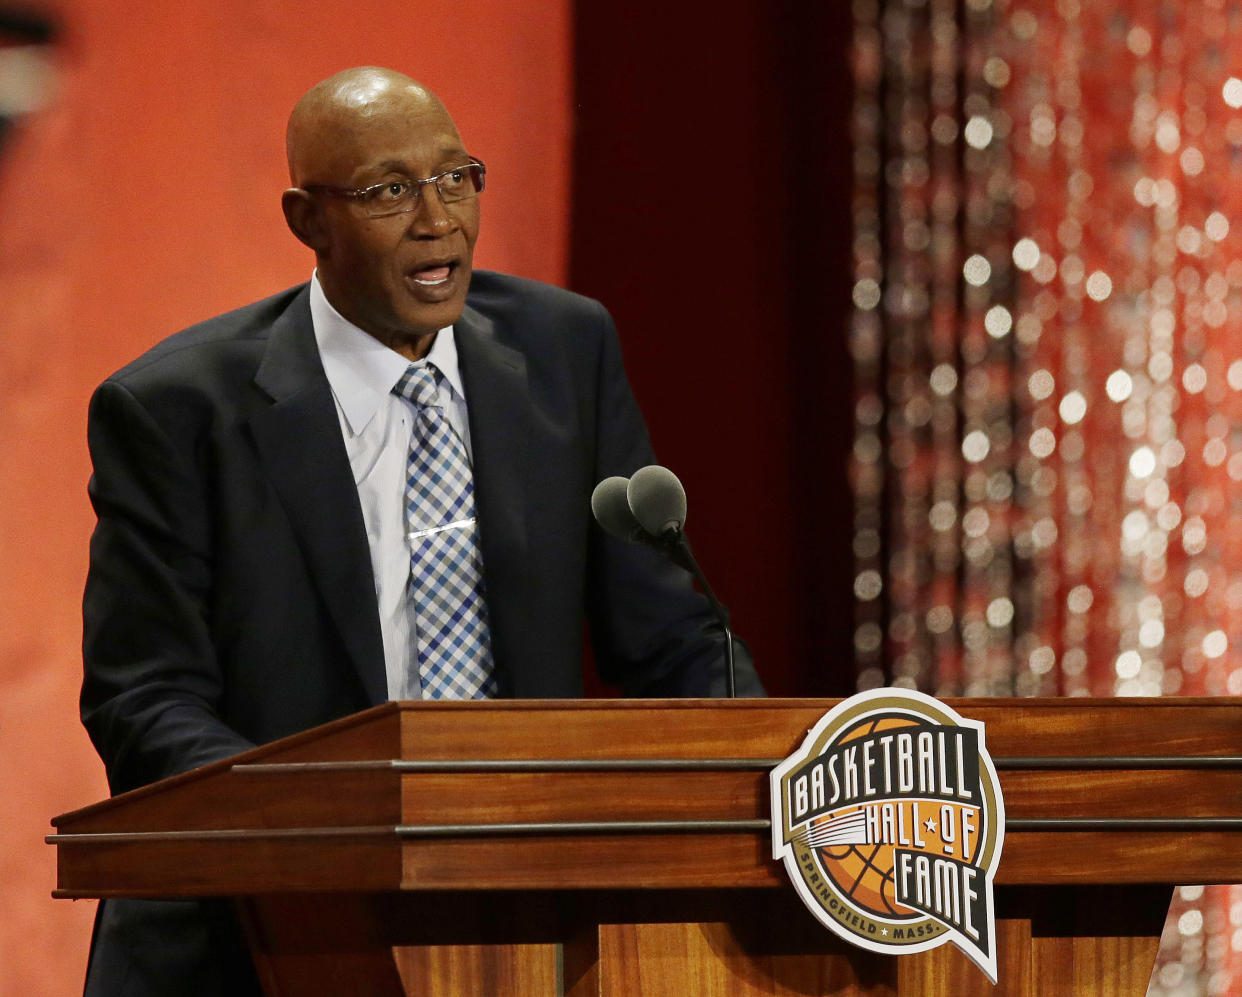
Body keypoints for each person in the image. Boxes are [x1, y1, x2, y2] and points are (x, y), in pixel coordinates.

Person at [78, 67, 761, 994]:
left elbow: (673, 637)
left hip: (526, 919)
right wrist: (329, 829)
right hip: (256, 936)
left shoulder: (565, 350)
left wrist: (766, 782)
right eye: (389, 191)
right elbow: (144, 698)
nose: (438, 218)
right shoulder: (175, 408)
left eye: (457, 177)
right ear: (306, 220)